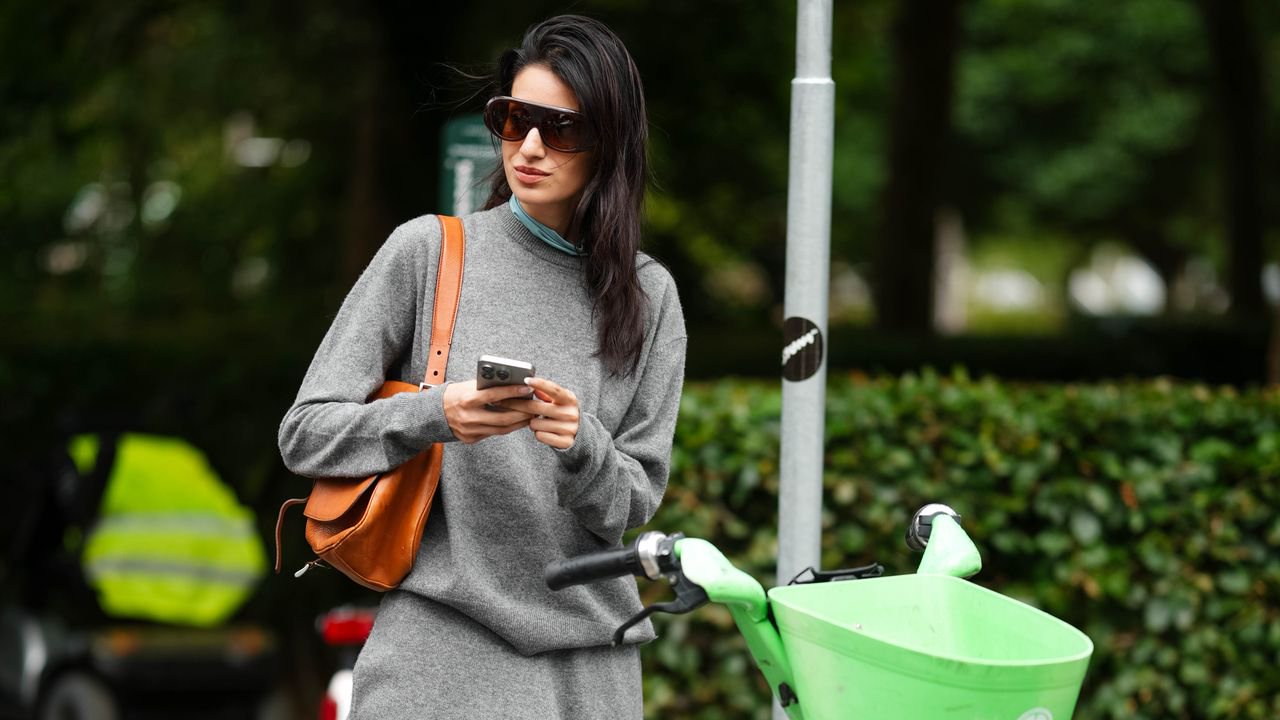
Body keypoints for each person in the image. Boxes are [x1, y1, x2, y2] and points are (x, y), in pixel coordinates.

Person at [277, 14, 686, 719]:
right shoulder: (428, 252)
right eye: (514, 119)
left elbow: (633, 503)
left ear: (610, 143)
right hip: (439, 646)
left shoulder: (650, 296)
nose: (530, 146)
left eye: (562, 128)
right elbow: (305, 434)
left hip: (589, 661)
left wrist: (581, 443)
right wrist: (435, 414)